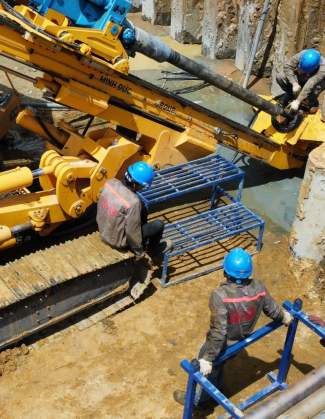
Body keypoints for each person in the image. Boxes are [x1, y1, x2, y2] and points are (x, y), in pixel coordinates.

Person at [173, 248, 293, 410]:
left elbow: (219, 331)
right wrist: (284, 317)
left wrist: (208, 358)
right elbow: (273, 311)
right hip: (240, 340)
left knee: (210, 368)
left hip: (221, 345)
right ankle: (216, 388)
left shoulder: (220, 295)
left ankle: (200, 401)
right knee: (219, 366)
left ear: (226, 271)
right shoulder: (259, 287)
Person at [96, 161, 173, 264]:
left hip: (103, 230)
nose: (143, 189)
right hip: (117, 241)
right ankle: (151, 252)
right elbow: (131, 232)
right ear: (136, 184)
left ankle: (144, 242)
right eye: (143, 186)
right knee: (159, 225)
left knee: (143, 208)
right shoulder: (133, 202)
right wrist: (139, 252)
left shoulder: (110, 183)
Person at [275, 49, 325, 115]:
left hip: (313, 83)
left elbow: (310, 84)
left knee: (317, 87)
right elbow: (287, 67)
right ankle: (291, 94)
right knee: (280, 76)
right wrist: (294, 83)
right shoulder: (301, 55)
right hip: (300, 77)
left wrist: (297, 102)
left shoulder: (323, 68)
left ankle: (312, 101)